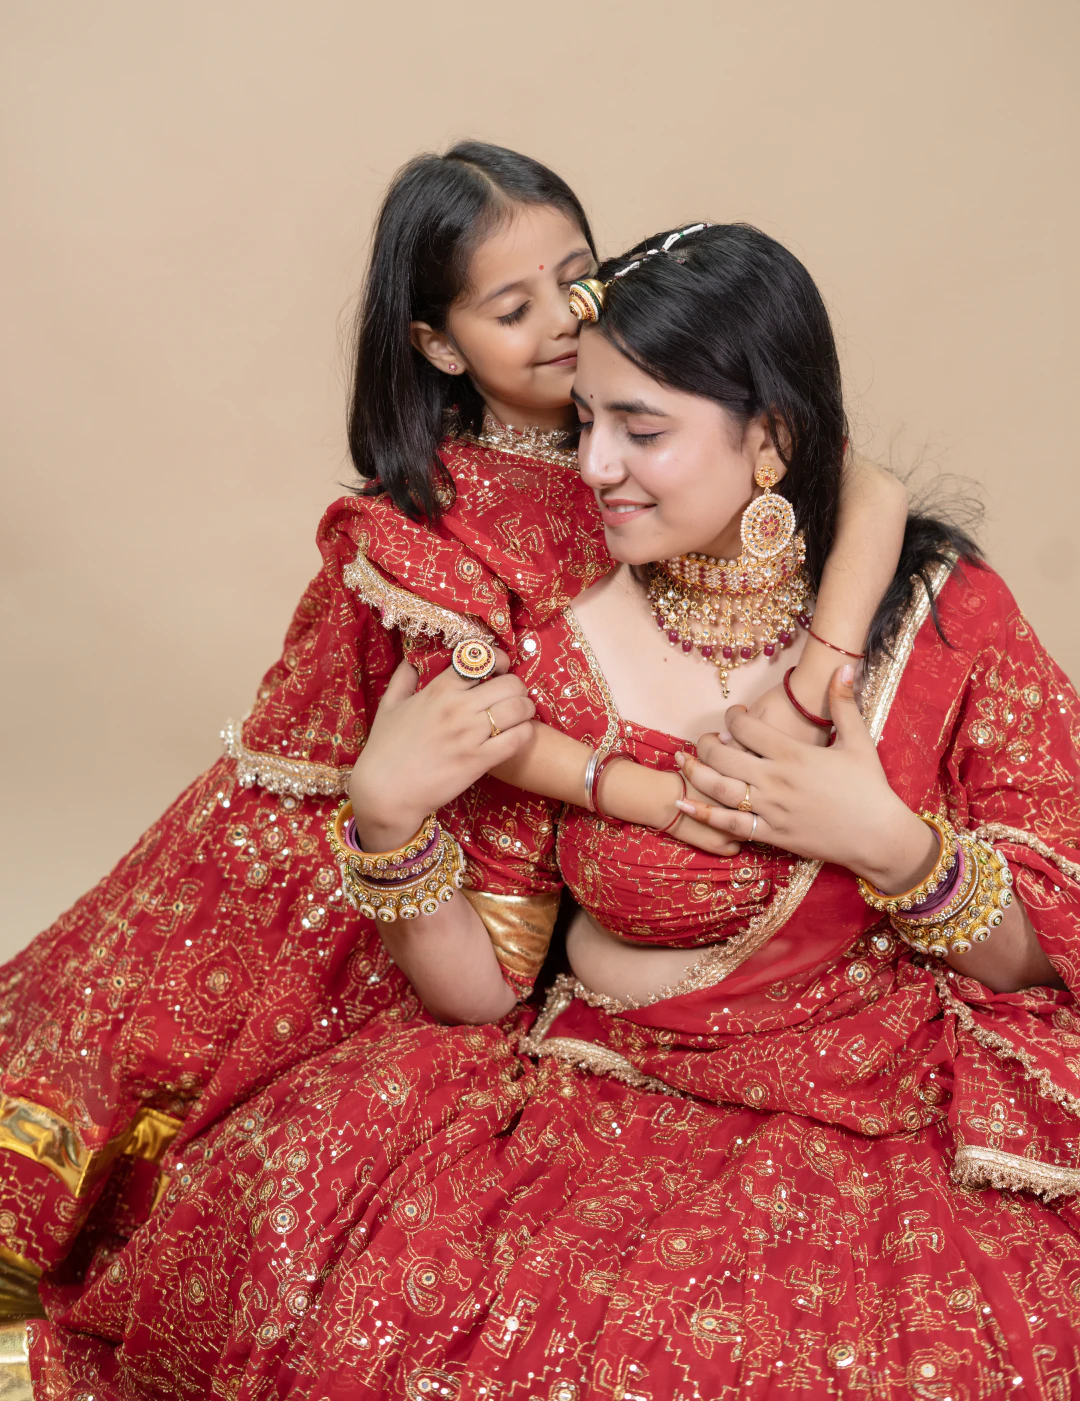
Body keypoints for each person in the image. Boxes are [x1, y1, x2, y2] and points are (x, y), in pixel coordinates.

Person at [14, 221, 1079, 1401]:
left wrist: (888, 842)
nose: (596, 468)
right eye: (585, 425)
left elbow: (1046, 946)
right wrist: (388, 818)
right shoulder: (559, 647)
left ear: (771, 439)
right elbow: (482, 989)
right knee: (346, 1276)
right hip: (596, 1089)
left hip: (879, 1101)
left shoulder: (939, 624)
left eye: (644, 430)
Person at [0, 142, 901, 1294]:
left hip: (589, 864)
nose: (566, 323)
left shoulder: (651, 412)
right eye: (512, 309)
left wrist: (828, 653)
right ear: (437, 345)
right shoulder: (442, 510)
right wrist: (663, 797)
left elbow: (854, 472)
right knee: (209, 1123)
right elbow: (486, 722)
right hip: (414, 820)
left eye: (579, 281)